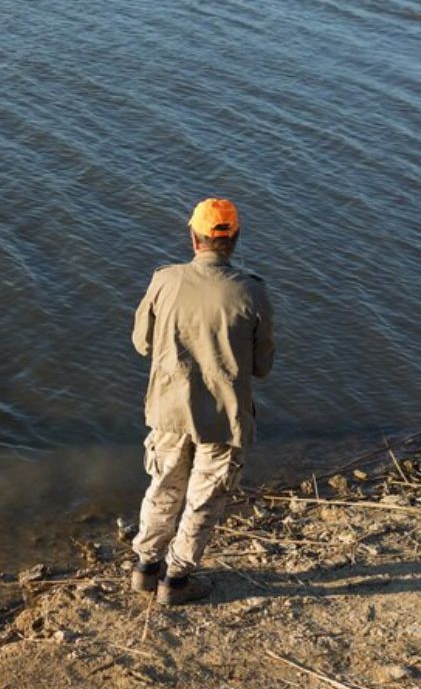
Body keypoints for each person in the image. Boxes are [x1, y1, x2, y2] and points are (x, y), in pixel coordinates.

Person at [129, 197, 275, 605]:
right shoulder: (252, 292)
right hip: (224, 419)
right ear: (236, 239)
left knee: (162, 487)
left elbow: (142, 343)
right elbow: (262, 367)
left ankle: (146, 567)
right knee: (202, 499)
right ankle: (176, 580)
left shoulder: (164, 280)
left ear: (193, 237)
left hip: (169, 410)